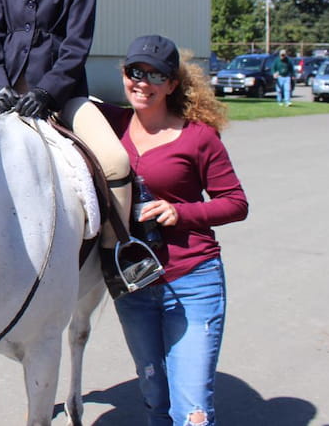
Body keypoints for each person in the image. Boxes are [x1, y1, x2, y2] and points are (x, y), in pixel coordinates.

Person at [0, 0, 155, 291]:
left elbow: (76, 48)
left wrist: (45, 92)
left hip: (60, 95)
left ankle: (118, 254)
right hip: (3, 94)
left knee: (115, 162)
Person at [96, 34, 249, 426]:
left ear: (172, 84)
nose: (141, 82)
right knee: (155, 400)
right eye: (134, 72)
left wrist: (180, 213)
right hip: (134, 285)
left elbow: (235, 203)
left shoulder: (199, 137)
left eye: (154, 75)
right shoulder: (110, 126)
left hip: (193, 280)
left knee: (192, 411)